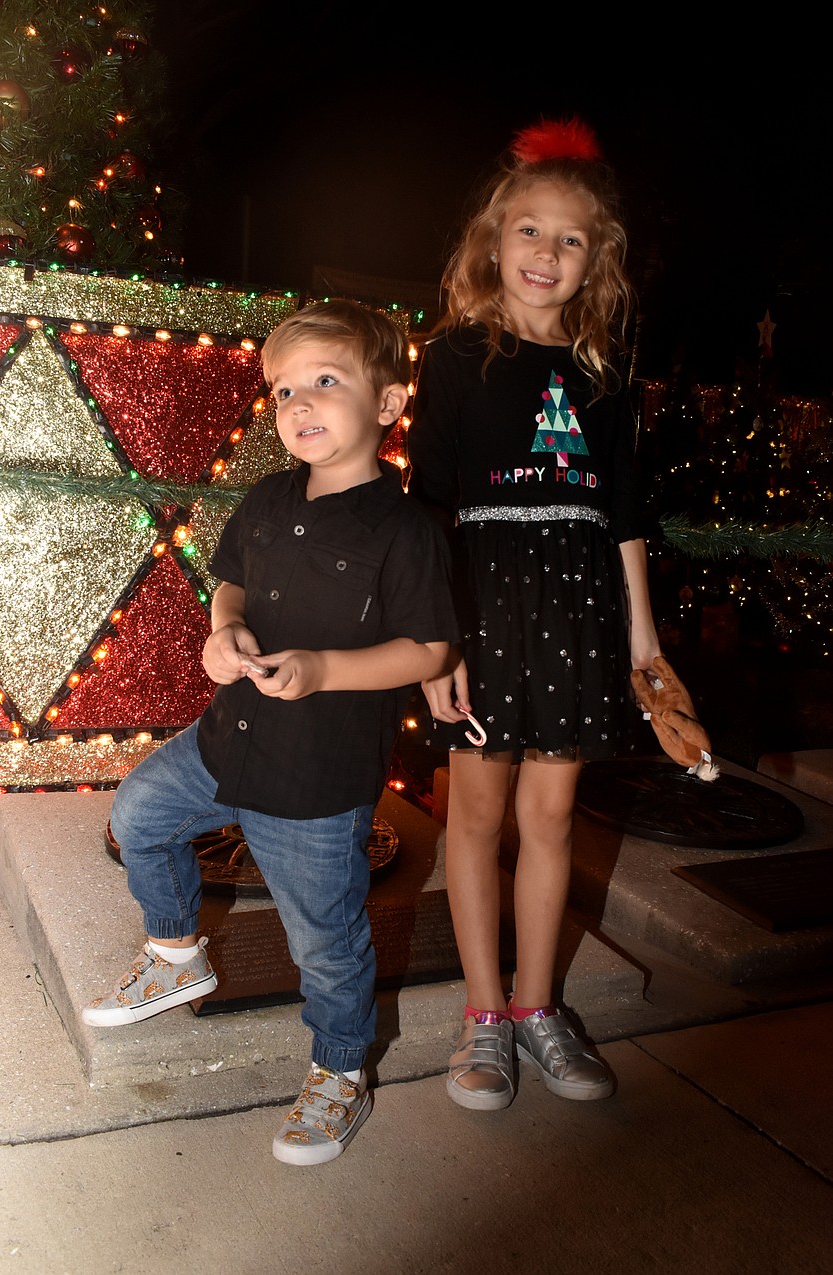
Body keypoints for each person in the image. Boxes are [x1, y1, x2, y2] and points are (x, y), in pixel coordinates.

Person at [81, 298, 460, 1164]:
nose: (299, 404)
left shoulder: (405, 533)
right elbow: (232, 584)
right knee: (139, 812)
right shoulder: (263, 497)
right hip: (227, 739)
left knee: (324, 942)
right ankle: (177, 949)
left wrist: (325, 670)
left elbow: (430, 645)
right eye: (284, 388)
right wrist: (224, 631)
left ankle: (339, 1071)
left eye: (326, 382)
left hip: (315, 782)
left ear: (390, 405)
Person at [407, 117, 661, 1111]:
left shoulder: (602, 377)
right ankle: (481, 1019)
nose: (546, 254)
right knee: (474, 812)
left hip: (579, 604)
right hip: (479, 602)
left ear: (594, 258)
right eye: (529, 231)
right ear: (492, 238)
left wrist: (641, 640)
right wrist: (434, 638)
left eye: (570, 238)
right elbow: (427, 504)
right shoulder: (455, 359)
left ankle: (535, 1009)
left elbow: (625, 513)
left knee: (551, 816)